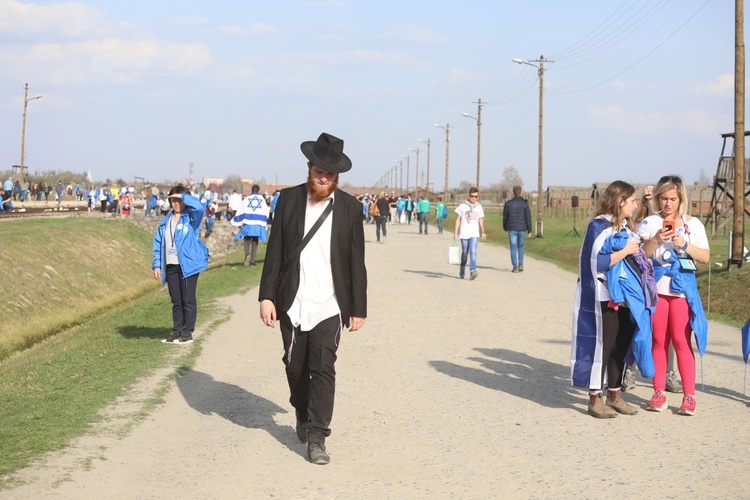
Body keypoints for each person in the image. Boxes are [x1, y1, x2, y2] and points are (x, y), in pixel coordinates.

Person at [259, 132, 367, 465]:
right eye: (320, 170)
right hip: (292, 300)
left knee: (323, 369)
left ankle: (317, 436)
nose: (324, 177)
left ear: (338, 176)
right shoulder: (288, 200)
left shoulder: (350, 208)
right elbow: (274, 252)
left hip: (330, 304)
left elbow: (356, 262)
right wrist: (266, 297)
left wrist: (358, 308)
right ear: (309, 167)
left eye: (331, 174)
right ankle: (302, 410)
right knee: (294, 367)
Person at [570, 181, 647, 418]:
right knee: (602, 346)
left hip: (625, 297)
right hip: (603, 296)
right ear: (620, 200)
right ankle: (595, 398)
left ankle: (615, 395)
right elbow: (596, 263)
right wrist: (625, 251)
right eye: (632, 201)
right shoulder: (598, 227)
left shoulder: (625, 226)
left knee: (620, 345)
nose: (635, 205)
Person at [637, 175, 710, 415]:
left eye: (673, 199)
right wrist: (656, 240)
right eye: (664, 198)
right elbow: (640, 257)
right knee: (658, 341)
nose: (668, 204)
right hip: (657, 289)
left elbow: (705, 257)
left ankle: (689, 397)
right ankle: (659, 393)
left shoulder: (693, 224)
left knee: (681, 340)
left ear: (681, 199)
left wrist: (684, 245)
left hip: (681, 290)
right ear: (657, 198)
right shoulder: (649, 222)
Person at [152, 185, 210, 345]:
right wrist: (157, 265)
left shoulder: (191, 218)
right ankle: (176, 331)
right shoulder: (166, 221)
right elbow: (158, 243)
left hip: (188, 265)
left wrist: (183, 195)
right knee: (176, 300)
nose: (176, 203)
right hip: (171, 265)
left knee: (188, 299)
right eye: (173, 200)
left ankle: (187, 333)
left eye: (179, 200)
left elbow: (199, 207)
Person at [231, 184, 269, 266]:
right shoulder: (262, 200)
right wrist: (264, 223)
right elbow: (266, 212)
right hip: (257, 225)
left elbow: (241, 210)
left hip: (248, 223)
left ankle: (246, 254)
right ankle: (252, 260)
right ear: (258, 190)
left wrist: (239, 223)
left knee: (247, 240)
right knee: (255, 242)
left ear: (252, 190)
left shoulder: (247, 199)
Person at [453, 187, 486, 280]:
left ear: (478, 197)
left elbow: (481, 220)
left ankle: (472, 270)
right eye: (472, 196)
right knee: (464, 252)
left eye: (476, 196)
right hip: (464, 233)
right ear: (469, 195)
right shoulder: (462, 206)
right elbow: (458, 219)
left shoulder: (479, 207)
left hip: (474, 233)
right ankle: (462, 268)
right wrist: (455, 232)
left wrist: (483, 231)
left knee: (473, 252)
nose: (474, 198)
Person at [502, 186, 532, 273]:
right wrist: (529, 229)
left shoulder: (508, 204)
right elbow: (528, 217)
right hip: (522, 228)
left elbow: (505, 217)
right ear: (521, 192)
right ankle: (521, 264)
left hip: (512, 228)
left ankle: (515, 266)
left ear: (513, 193)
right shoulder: (525, 204)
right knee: (521, 246)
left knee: (513, 247)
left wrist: (505, 227)